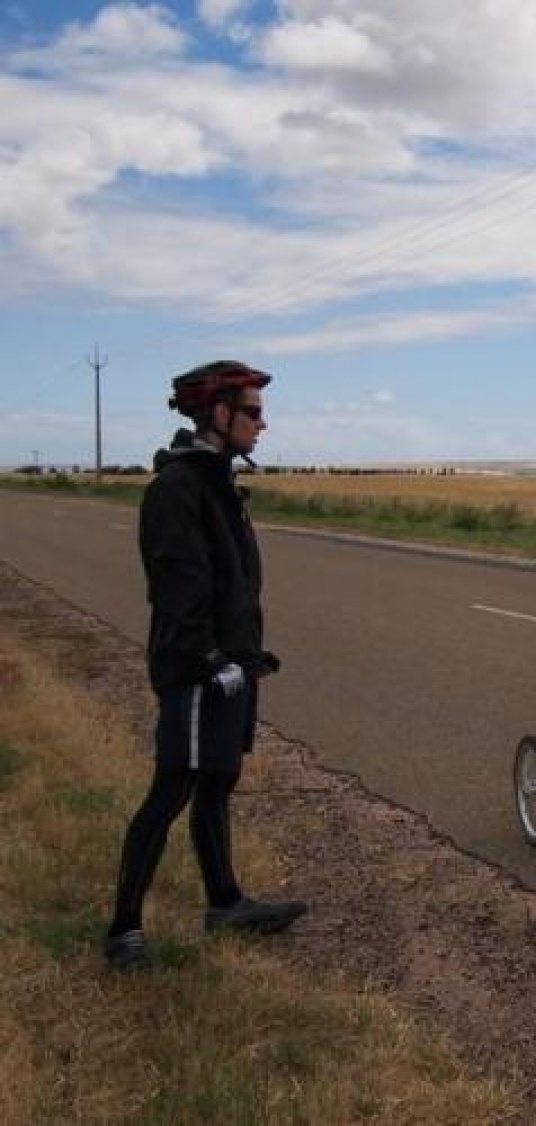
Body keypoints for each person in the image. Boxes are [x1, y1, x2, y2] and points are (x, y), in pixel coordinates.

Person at [104, 360, 306, 970]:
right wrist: (209, 660)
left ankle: (226, 904)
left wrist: (242, 661)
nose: (262, 424)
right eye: (252, 412)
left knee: (217, 786)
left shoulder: (218, 483)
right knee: (171, 791)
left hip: (232, 668)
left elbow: (231, 586)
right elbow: (176, 590)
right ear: (217, 415)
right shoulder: (177, 489)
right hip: (198, 673)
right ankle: (123, 931)